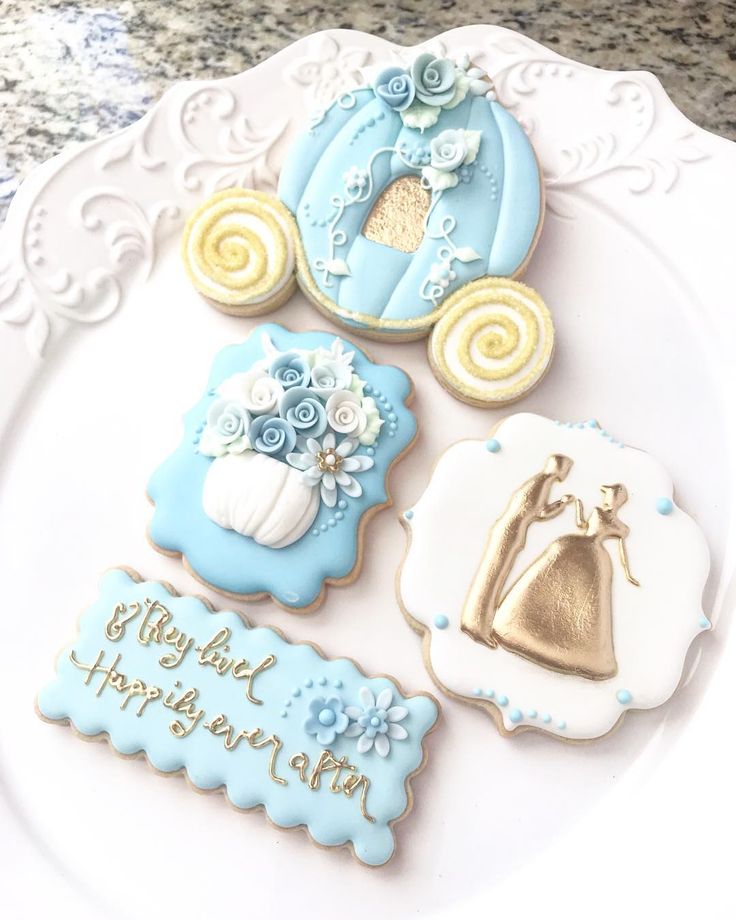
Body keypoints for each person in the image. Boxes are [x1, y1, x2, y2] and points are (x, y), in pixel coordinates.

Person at [491, 483, 639, 680]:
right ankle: (519, 629)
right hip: (573, 547)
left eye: (612, 495)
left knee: (583, 602)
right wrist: (571, 503)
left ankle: (571, 649)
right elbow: (581, 522)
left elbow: (622, 544)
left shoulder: (618, 524)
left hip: (593, 556)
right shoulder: (602, 515)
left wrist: (628, 572)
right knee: (546, 586)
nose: (609, 498)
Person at [461, 454, 574, 647]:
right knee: (492, 578)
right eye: (565, 470)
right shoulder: (542, 482)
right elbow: (538, 512)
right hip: (509, 533)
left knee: (492, 577)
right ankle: (476, 626)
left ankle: (477, 624)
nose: (565, 474)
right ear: (559, 468)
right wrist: (562, 504)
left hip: (509, 531)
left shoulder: (539, 481)